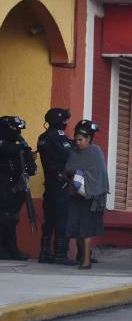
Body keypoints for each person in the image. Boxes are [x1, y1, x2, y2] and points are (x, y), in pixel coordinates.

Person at [65, 120, 108, 269]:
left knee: (86, 229)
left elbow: (99, 174)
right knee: (76, 228)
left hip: (91, 196)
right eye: (76, 139)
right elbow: (69, 167)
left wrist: (82, 175)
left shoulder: (95, 152)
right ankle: (82, 256)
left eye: (80, 140)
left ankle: (86, 261)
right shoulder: (74, 152)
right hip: (75, 195)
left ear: (89, 139)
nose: (77, 143)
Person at [36, 108, 76, 265]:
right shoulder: (58, 137)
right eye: (65, 120)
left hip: (50, 182)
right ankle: (60, 254)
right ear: (59, 121)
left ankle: (44, 253)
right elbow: (69, 154)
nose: (66, 123)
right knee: (62, 219)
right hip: (61, 183)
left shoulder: (43, 137)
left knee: (49, 219)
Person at [0, 116, 36, 260]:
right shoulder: (5, 143)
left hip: (15, 184)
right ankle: (7, 250)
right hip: (3, 183)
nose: (18, 133)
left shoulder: (18, 142)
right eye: (16, 129)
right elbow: (8, 149)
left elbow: (25, 161)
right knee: (5, 216)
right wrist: (20, 149)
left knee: (11, 217)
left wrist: (28, 156)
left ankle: (10, 249)